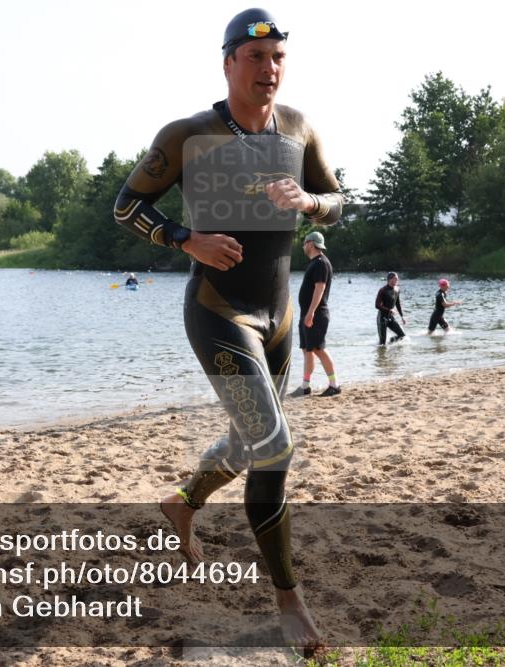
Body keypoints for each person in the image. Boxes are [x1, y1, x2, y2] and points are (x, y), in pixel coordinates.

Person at [112, 7, 342, 651]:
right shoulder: (189, 135)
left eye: (278, 59)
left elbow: (339, 199)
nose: (270, 70)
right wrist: (186, 239)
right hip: (219, 313)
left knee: (248, 444)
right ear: (229, 63)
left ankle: (183, 504)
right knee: (275, 448)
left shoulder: (299, 129)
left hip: (281, 318)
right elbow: (127, 205)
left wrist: (309, 203)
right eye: (256, 58)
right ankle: (290, 603)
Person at [289, 231, 340, 397]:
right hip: (308, 314)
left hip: (316, 314)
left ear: (311, 243)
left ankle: (334, 385)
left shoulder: (321, 263)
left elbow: (320, 288)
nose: (303, 246)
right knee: (306, 349)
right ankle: (305, 386)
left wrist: (310, 313)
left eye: (304, 243)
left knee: (318, 348)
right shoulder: (314, 263)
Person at [375, 272, 406, 344]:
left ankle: (391, 342)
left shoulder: (397, 289)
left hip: (390, 317)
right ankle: (382, 352)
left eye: (397, 279)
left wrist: (402, 316)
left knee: (402, 335)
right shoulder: (382, 290)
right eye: (395, 279)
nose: (397, 281)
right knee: (382, 343)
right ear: (390, 280)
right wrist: (389, 310)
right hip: (382, 318)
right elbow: (377, 305)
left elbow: (398, 303)